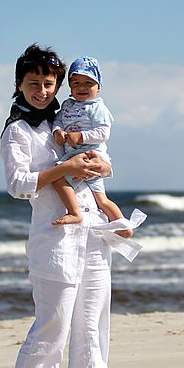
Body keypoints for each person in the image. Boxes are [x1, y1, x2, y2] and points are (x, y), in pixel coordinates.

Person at [0, 43, 144, 368]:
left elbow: (101, 160)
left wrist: (103, 166)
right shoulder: (18, 130)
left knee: (93, 326)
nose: (42, 91)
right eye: (34, 83)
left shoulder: (70, 117)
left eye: (48, 83)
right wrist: (64, 166)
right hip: (55, 239)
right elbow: (18, 184)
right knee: (53, 325)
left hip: (93, 235)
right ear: (19, 84)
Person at [50, 56, 132, 238]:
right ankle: (122, 226)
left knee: (58, 180)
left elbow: (103, 133)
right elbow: (57, 120)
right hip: (74, 157)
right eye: (76, 83)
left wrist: (81, 137)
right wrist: (57, 132)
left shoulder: (98, 108)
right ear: (70, 87)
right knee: (100, 198)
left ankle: (75, 213)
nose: (82, 87)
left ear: (99, 86)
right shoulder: (67, 105)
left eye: (89, 83)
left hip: (91, 155)